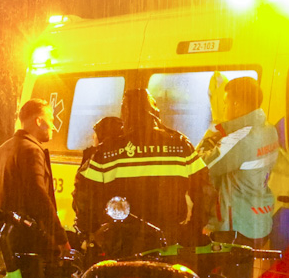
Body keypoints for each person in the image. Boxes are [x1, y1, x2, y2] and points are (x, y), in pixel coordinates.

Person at [76, 88, 206, 243]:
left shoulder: (108, 150)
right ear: (155, 111)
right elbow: (204, 190)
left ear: (126, 113)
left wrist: (92, 231)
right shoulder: (179, 144)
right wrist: (193, 228)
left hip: (122, 240)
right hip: (169, 239)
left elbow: (84, 195)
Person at [0, 99, 68, 275]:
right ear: (38, 121)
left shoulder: (3, 149)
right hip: (28, 239)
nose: (54, 127)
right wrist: (60, 238)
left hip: (7, 235)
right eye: (51, 119)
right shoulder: (31, 150)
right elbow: (38, 197)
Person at [199, 76, 279, 245]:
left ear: (236, 105)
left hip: (236, 228)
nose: (224, 108)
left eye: (225, 103)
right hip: (258, 221)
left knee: (224, 271)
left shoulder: (240, 139)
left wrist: (208, 140)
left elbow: (200, 167)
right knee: (243, 270)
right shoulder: (268, 130)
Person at [71, 114, 125, 235]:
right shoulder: (128, 158)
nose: (93, 137)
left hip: (98, 231)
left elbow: (82, 199)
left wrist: (87, 231)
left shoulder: (95, 159)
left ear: (102, 136)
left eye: (96, 133)